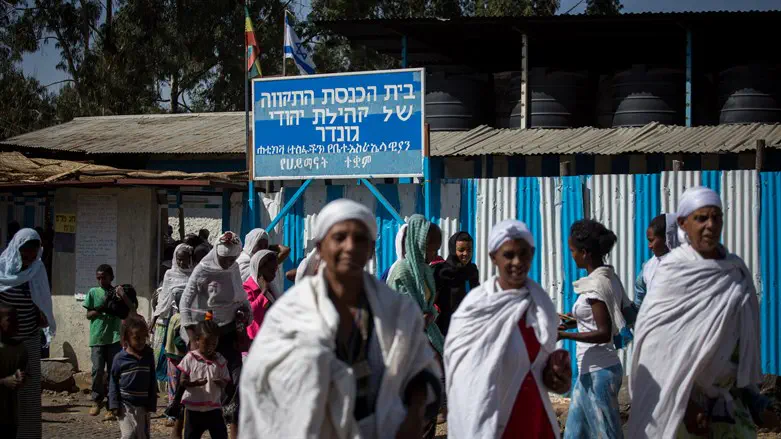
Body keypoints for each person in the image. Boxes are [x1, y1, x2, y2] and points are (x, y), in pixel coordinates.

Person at [240, 199, 442, 438]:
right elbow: (260, 381)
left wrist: (415, 413)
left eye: (359, 239)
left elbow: (420, 367)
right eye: (339, 238)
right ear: (321, 246)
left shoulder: (395, 309)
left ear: (370, 249)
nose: (349, 247)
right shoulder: (290, 313)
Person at [628, 186, 767, 438]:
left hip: (730, 406)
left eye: (716, 217)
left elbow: (743, 343)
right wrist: (689, 406)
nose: (710, 225)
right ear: (683, 223)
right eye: (701, 218)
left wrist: (753, 397)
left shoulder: (736, 272)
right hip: (681, 404)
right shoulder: (672, 274)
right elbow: (655, 348)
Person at [445, 219, 571, 438]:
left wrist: (558, 378)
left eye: (524, 254)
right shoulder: (474, 309)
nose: (517, 262)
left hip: (532, 421)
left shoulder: (542, 308)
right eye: (508, 255)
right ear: (494, 257)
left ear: (532, 254)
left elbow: (540, 372)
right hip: (487, 424)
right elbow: (461, 374)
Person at [559, 219, 630, 439]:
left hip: (601, 372)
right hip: (589, 370)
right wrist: (569, 321)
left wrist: (564, 335)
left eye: (572, 250)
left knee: (607, 434)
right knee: (574, 433)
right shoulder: (607, 278)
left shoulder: (595, 286)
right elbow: (597, 318)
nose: (571, 255)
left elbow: (603, 332)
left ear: (585, 252)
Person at [180, 231, 251, 439]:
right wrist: (192, 336)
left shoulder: (235, 268)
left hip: (228, 334)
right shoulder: (203, 269)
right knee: (195, 381)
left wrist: (245, 312)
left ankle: (232, 428)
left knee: (237, 380)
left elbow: (241, 297)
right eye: (224, 259)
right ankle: (179, 420)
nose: (228, 263)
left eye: (232, 259)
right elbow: (185, 301)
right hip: (205, 335)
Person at [0, 228, 54, 439]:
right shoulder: (2, 269)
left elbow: (42, 300)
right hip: (3, 345)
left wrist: (42, 316)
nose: (28, 261)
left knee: (28, 394)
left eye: (33, 256)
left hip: (28, 341)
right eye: (24, 255)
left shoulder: (37, 270)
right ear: (16, 249)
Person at [178, 318, 230, 439]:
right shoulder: (190, 358)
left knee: (220, 435)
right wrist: (194, 383)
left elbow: (225, 381)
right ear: (197, 340)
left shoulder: (220, 360)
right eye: (206, 343)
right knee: (191, 436)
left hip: (214, 408)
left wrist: (221, 382)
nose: (210, 347)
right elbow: (182, 381)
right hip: (193, 408)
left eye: (214, 344)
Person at [84, 264, 123, 418]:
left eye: (104, 277)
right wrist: (101, 307)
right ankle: (96, 400)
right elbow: (89, 314)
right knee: (97, 370)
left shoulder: (117, 292)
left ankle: (112, 404)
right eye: (98, 278)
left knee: (114, 372)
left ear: (111, 277)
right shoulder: (93, 292)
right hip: (98, 337)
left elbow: (124, 309)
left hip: (114, 338)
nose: (101, 281)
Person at [109, 315, 157, 439]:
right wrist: (114, 404)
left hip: (143, 405)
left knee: (142, 436)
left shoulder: (148, 355)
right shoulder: (120, 358)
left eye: (144, 338)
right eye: (137, 338)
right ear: (126, 338)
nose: (141, 341)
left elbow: (152, 378)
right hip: (125, 405)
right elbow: (113, 381)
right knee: (128, 435)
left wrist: (152, 401)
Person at [433, 231, 480, 337]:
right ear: (453, 250)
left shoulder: (472, 271)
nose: (466, 254)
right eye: (461, 250)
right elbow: (432, 301)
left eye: (469, 250)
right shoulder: (443, 271)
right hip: (447, 330)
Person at [634, 213, 679, 308]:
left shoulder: (688, 265)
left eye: (651, 240)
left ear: (667, 238)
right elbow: (639, 301)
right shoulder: (648, 267)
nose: (649, 246)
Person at [0, 304, 28, 438]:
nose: (17, 325)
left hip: (10, 416)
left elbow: (23, 372)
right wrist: (4, 381)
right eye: (11, 320)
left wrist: (21, 377)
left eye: (18, 320)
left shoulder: (20, 348)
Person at [242, 250, 279, 341]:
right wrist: (263, 293)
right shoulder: (247, 288)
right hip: (254, 341)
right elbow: (250, 312)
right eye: (271, 271)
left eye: (275, 271)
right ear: (259, 268)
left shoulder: (272, 288)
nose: (274, 275)